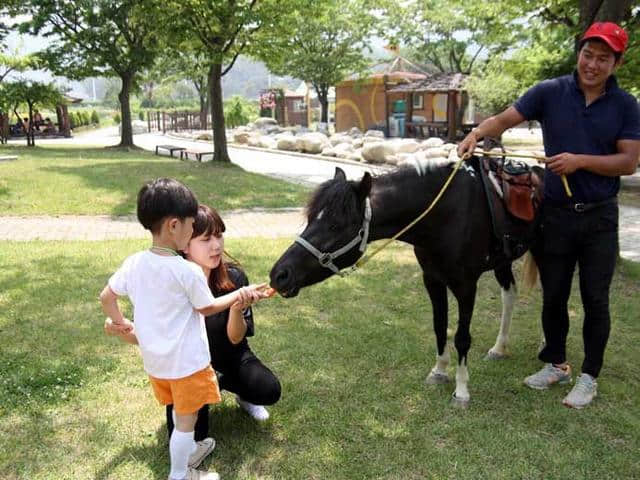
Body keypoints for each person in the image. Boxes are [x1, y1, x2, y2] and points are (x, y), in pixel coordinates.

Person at [458, 22, 640, 409]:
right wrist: (476, 134)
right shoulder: (550, 91)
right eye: (587, 54)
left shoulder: (625, 106)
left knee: (595, 299)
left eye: (603, 58)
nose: (592, 64)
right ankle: (556, 364)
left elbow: (628, 162)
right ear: (580, 53)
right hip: (555, 213)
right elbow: (505, 119)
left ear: (616, 62)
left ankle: (589, 376)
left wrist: (580, 162)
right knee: (553, 295)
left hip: (599, 218)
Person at [100, 178, 272, 480]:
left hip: (159, 368)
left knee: (185, 422)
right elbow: (206, 307)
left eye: (217, 236)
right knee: (185, 424)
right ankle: (181, 473)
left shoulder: (135, 262)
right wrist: (240, 296)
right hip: (188, 367)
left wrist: (119, 322)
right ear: (175, 226)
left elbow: (107, 297)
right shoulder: (186, 271)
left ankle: (189, 451)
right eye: (195, 228)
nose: (210, 241)